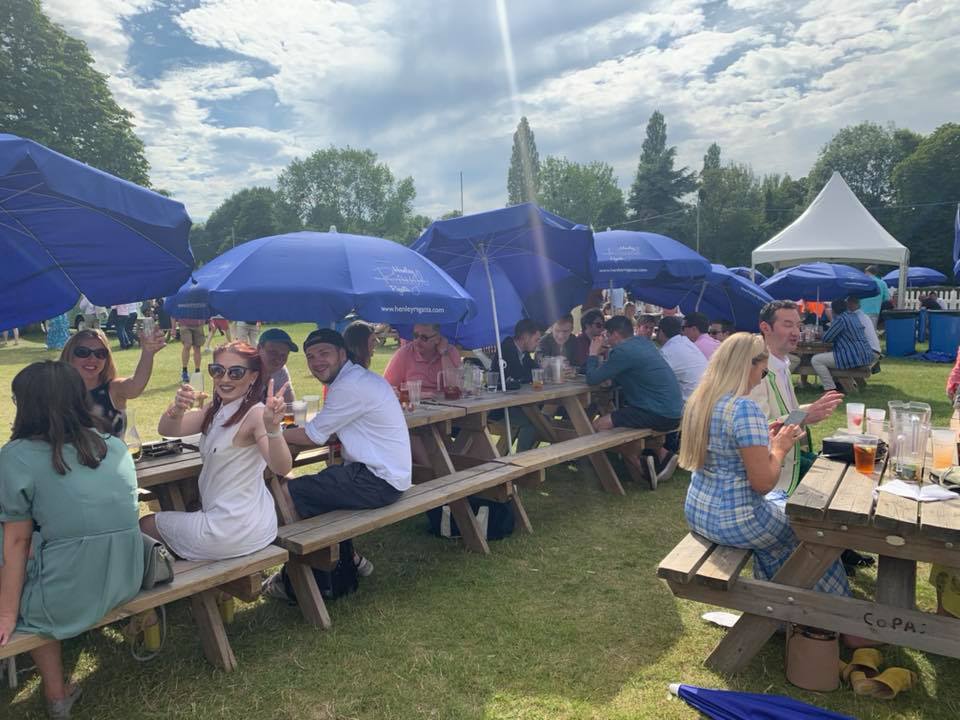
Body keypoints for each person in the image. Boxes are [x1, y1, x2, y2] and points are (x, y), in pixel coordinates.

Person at [0, 361, 142, 717]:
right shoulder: (113, 445)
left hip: (66, 596)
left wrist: (7, 613)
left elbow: (16, 542)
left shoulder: (17, 456)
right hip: (125, 578)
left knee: (13, 553)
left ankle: (57, 694)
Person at [679, 333, 850, 599]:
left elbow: (727, 452)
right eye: (763, 369)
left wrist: (765, 441)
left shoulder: (701, 401)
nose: (763, 376)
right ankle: (833, 608)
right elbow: (763, 484)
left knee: (779, 536)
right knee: (812, 534)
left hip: (700, 511)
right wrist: (780, 448)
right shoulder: (744, 409)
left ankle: (776, 602)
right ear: (748, 365)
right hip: (737, 520)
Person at [262, 329, 411, 597]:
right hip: (389, 476)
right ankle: (348, 559)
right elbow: (328, 430)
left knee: (285, 494)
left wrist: (270, 433)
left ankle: (299, 580)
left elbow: (313, 436)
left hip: (376, 480)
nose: (317, 361)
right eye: (310, 356)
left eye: (324, 353)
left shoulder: (349, 385)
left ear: (342, 353)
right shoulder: (357, 378)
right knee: (318, 484)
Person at [144, 342, 291, 560]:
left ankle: (168, 574)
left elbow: (282, 467)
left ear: (253, 377)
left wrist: (273, 429)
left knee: (146, 525)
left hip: (231, 530)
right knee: (181, 517)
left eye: (236, 372)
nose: (225, 379)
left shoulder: (256, 414)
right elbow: (168, 429)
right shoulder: (216, 410)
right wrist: (177, 409)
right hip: (254, 524)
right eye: (217, 370)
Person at [750, 300, 843, 493]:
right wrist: (803, 416)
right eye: (787, 325)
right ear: (765, 328)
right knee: (839, 484)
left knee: (845, 470)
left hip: (794, 458)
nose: (795, 332)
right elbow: (760, 431)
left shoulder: (782, 364)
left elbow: (786, 413)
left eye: (798, 325)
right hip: (777, 473)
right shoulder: (756, 375)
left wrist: (811, 410)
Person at [587, 315, 683, 479]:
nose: (606, 339)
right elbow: (634, 373)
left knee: (598, 425)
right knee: (624, 423)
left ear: (615, 334)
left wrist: (592, 353)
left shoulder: (622, 351)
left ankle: (641, 466)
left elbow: (592, 379)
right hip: (673, 410)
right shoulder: (644, 343)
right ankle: (663, 454)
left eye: (607, 335)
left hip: (656, 412)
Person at [60, 327, 165, 436]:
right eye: (83, 352)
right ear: (70, 354)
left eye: (100, 353)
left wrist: (147, 353)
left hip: (110, 448)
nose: (92, 359)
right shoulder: (56, 391)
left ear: (107, 359)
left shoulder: (113, 389)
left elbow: (135, 386)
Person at [492, 319, 542, 451]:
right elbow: (519, 373)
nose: (538, 343)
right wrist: (530, 375)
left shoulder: (524, 353)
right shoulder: (506, 348)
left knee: (542, 419)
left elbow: (535, 372)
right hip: (499, 409)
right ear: (525, 337)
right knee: (534, 422)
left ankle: (526, 457)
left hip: (515, 405)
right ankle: (522, 458)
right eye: (536, 339)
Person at [812, 299, 875, 392]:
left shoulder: (840, 319)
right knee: (827, 357)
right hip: (865, 355)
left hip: (853, 356)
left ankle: (830, 389)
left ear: (833, 310)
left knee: (816, 360)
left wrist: (820, 335)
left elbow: (827, 338)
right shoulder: (853, 316)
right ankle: (844, 385)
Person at [383, 323, 461, 396]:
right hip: (414, 403)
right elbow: (386, 388)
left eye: (424, 338)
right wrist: (415, 395)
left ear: (437, 339)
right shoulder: (404, 353)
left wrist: (444, 354)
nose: (418, 341)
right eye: (415, 336)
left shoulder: (450, 352)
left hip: (447, 403)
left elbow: (455, 387)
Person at [656, 316, 707, 402]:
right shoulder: (687, 343)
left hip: (689, 403)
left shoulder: (667, 352)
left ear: (661, 332)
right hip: (704, 398)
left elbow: (654, 379)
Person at [258, 328, 298, 403]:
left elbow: (290, 404)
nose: (278, 359)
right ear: (259, 349)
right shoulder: (245, 370)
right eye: (273, 353)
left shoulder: (281, 371)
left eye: (283, 355)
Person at [175, 315, 205, 383]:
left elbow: (204, 309)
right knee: (187, 345)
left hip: (198, 324)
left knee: (197, 348)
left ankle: (197, 371)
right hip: (184, 324)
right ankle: (184, 371)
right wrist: (173, 327)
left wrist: (205, 320)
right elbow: (173, 312)